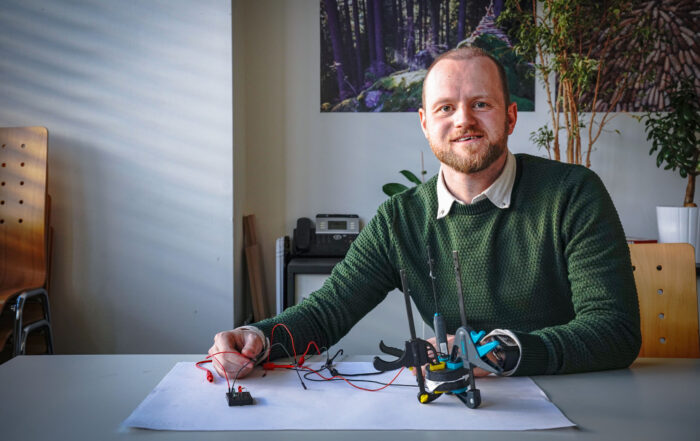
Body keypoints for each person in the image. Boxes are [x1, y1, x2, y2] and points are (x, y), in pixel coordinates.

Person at [209, 47, 641, 380]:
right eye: (445, 108)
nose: (464, 120)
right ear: (423, 122)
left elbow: (615, 330)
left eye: (482, 105)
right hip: (459, 409)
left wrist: (502, 351)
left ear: (511, 117)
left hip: (572, 403)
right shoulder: (400, 220)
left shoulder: (573, 194)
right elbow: (326, 313)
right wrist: (257, 339)